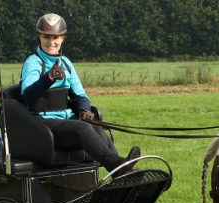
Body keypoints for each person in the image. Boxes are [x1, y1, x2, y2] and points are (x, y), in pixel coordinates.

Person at [20, 13, 139, 173]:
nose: (51, 42)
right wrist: (48, 78)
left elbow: (80, 94)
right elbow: (27, 95)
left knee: (95, 126)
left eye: (56, 37)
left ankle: (122, 172)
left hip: (64, 121)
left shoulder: (66, 63)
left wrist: (84, 110)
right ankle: (119, 168)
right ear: (39, 37)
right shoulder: (33, 62)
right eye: (47, 37)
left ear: (62, 39)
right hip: (41, 124)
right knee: (81, 129)